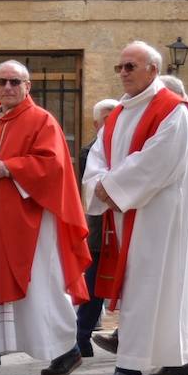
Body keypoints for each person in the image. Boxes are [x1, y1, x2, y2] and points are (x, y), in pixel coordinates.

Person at [0, 61, 93, 375]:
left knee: (40, 287)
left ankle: (66, 350)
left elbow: (53, 166)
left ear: (28, 86)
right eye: (2, 82)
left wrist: (9, 168)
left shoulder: (42, 121)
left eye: (15, 82)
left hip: (30, 225)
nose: (9, 87)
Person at [83, 41, 188, 375]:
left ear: (153, 70)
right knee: (143, 289)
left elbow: (158, 162)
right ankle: (177, 360)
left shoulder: (173, 110)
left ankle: (127, 369)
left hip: (158, 217)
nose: (124, 73)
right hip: (123, 213)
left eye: (131, 66)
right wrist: (100, 184)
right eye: (120, 67)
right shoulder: (119, 112)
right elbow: (97, 153)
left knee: (149, 288)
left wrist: (111, 187)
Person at [77, 98, 120, 358]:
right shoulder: (90, 151)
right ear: (96, 124)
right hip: (100, 227)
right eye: (108, 119)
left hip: (124, 226)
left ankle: (123, 335)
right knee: (93, 284)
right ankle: (82, 336)